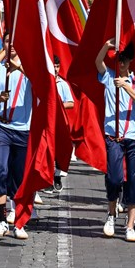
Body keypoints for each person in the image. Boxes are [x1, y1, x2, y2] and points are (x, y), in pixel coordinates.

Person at [0, 33, 33, 240]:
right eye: (7, 42)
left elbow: (42, 87)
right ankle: (2, 220)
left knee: (19, 178)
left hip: (22, 130)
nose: (11, 46)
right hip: (0, 127)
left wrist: (19, 67)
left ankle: (19, 222)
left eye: (15, 42)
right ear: (3, 45)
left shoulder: (29, 72)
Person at [96, 40, 135, 243]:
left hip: (134, 136)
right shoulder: (108, 76)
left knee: (134, 182)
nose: (121, 63)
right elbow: (97, 61)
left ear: (131, 60)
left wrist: (125, 86)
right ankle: (111, 214)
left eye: (124, 59)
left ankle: (129, 224)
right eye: (119, 59)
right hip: (113, 136)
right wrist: (106, 46)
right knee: (115, 178)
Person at [52, 55, 74, 192]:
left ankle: (57, 175)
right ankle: (46, 178)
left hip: (59, 124)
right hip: (45, 123)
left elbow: (71, 103)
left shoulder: (63, 84)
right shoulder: (44, 82)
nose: (55, 69)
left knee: (60, 150)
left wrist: (57, 106)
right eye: (53, 66)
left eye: (57, 66)